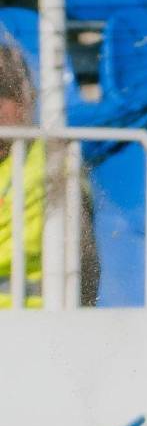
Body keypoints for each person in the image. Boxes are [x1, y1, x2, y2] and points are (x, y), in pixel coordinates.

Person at [0, 44, 99, 308]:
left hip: (32, 322)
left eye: (4, 91)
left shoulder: (55, 158)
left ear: (26, 99)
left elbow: (84, 259)